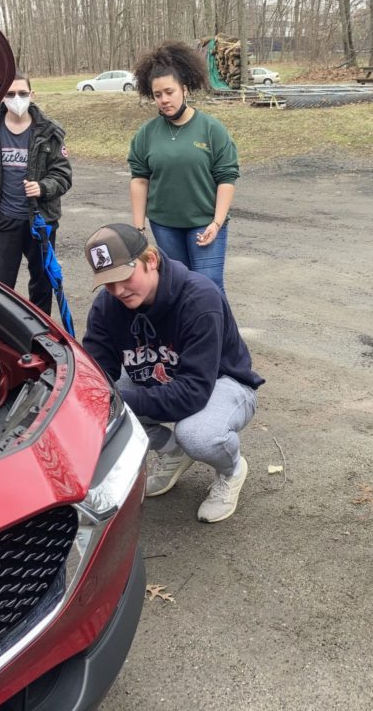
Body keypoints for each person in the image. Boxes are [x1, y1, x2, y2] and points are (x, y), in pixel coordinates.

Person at [81, 223, 263, 523]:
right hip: (159, 377)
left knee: (197, 434)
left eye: (124, 277)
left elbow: (192, 393)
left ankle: (231, 470)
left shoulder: (200, 299)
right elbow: (95, 370)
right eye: (107, 283)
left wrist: (116, 400)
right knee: (93, 404)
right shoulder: (107, 306)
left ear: (150, 260)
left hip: (221, 383)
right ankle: (173, 451)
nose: (118, 291)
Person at [128, 41, 239, 294]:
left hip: (205, 223)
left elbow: (226, 178)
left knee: (209, 288)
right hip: (165, 225)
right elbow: (139, 179)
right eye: (158, 95)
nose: (164, 100)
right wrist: (139, 229)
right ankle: (184, 334)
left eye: (170, 92)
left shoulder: (211, 129)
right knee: (178, 286)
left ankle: (219, 334)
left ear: (185, 89)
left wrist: (217, 223)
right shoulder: (147, 134)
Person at [0, 71, 72, 316]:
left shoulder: (50, 132)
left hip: (41, 222)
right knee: (0, 287)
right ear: (1, 97)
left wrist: (43, 187)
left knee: (42, 283)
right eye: (11, 94)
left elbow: (63, 175)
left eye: (23, 93)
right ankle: (2, 334)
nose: (17, 98)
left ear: (32, 94)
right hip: (4, 221)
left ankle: (40, 333)